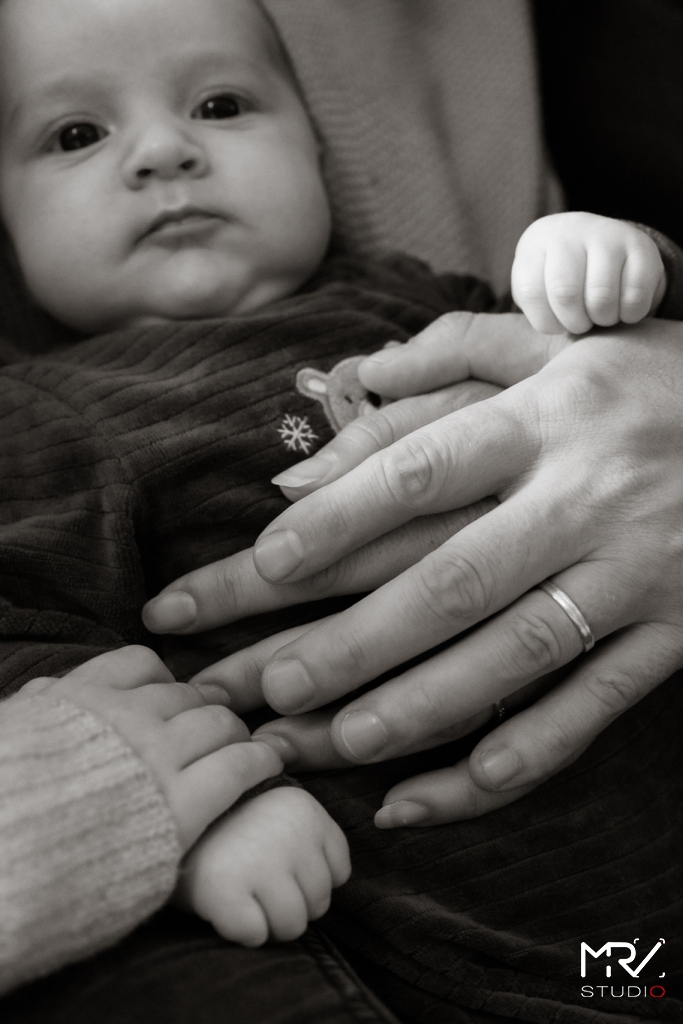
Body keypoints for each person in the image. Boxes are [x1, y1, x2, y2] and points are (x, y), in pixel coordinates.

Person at [1, 1, 681, 1022]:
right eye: (75, 135)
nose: (162, 151)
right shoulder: (39, 416)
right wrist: (186, 815)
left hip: (633, 918)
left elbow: (605, 371)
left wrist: (604, 262)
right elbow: (18, 631)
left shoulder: (412, 298)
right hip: (402, 942)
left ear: (319, 151)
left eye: (221, 103)